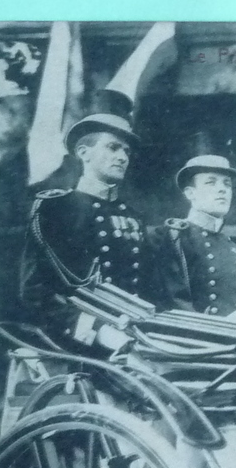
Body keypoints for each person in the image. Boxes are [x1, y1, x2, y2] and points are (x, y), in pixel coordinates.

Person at [19, 90, 150, 340]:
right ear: (83, 152)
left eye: (126, 151)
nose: (122, 157)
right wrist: (96, 332)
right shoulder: (54, 208)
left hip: (136, 334)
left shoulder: (134, 217)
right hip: (77, 342)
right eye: (113, 147)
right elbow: (35, 293)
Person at [152, 134, 236, 316]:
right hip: (190, 338)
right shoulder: (172, 237)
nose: (222, 189)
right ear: (190, 193)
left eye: (227, 184)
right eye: (211, 182)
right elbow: (172, 301)